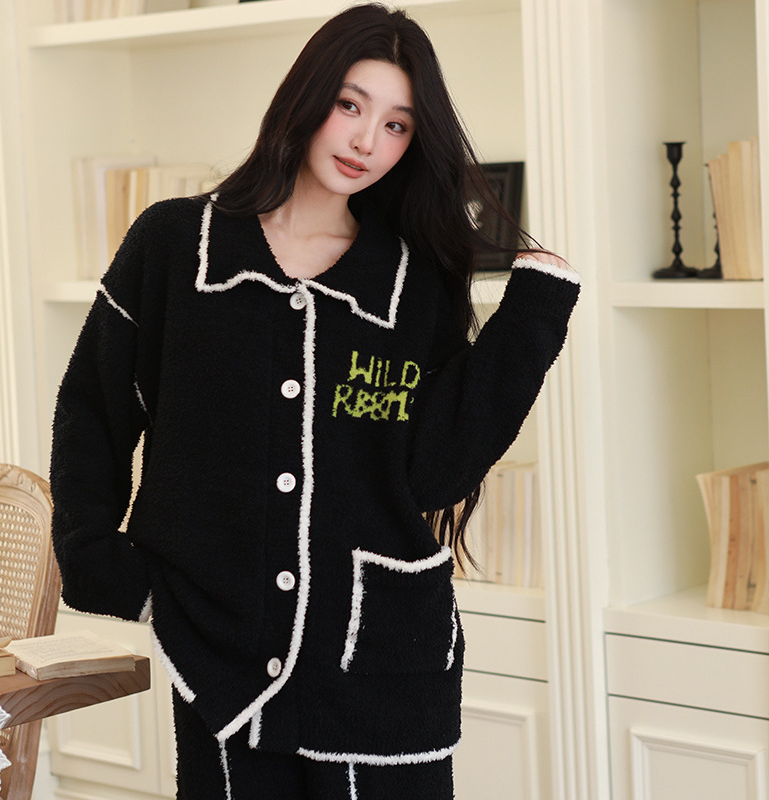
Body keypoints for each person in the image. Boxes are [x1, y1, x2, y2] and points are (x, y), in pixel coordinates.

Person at [50, 4, 580, 798]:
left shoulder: (412, 280)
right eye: (350, 105)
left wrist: (534, 314)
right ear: (307, 96)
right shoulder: (176, 246)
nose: (367, 141)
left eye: (397, 125)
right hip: (222, 668)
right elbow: (94, 408)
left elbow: (434, 474)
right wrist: (103, 567)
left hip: (385, 670)